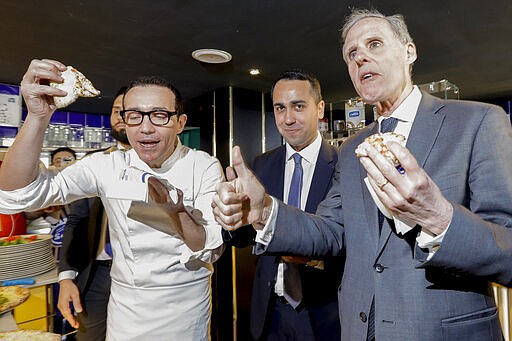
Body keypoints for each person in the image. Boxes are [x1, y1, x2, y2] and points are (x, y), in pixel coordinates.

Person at [212, 8, 512, 341]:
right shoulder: (353, 149)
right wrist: (265, 211)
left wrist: (440, 220)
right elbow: (331, 231)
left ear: (409, 51)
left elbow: (507, 248)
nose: (361, 58)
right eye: (351, 54)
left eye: (374, 44)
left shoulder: (479, 122)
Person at [0, 59, 225, 340]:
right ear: (124, 120)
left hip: (184, 308)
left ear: (180, 123)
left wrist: (175, 212)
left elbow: (210, 247)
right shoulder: (107, 165)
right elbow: (17, 194)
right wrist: (37, 117)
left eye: (159, 115)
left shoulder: (204, 166)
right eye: (135, 115)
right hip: (126, 309)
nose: (145, 128)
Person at [222, 70, 342, 340]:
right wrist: (232, 219)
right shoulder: (262, 164)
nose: (288, 118)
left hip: (324, 313)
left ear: (320, 108)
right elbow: (245, 235)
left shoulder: (343, 165)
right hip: (269, 312)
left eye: (298, 106)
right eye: (280, 108)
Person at [57, 86, 130, 341]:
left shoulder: (160, 167)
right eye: (115, 110)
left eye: (128, 111)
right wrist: (66, 277)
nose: (120, 116)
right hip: (96, 275)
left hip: (139, 276)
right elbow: (76, 220)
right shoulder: (93, 165)